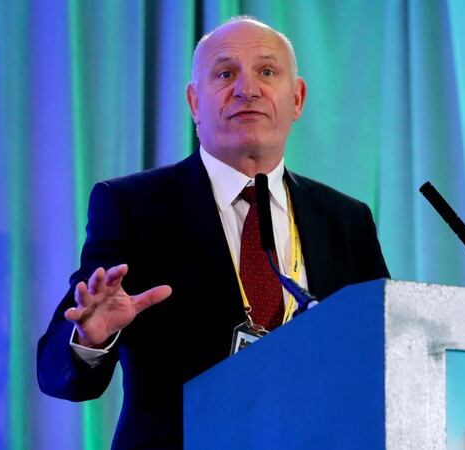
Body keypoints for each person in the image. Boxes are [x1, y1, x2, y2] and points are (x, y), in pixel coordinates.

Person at [37, 16, 389, 449]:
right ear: (194, 103)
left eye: (267, 71)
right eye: (225, 74)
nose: (247, 89)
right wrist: (91, 337)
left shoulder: (346, 219)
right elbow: (57, 373)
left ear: (297, 99)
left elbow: (382, 351)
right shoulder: (134, 206)